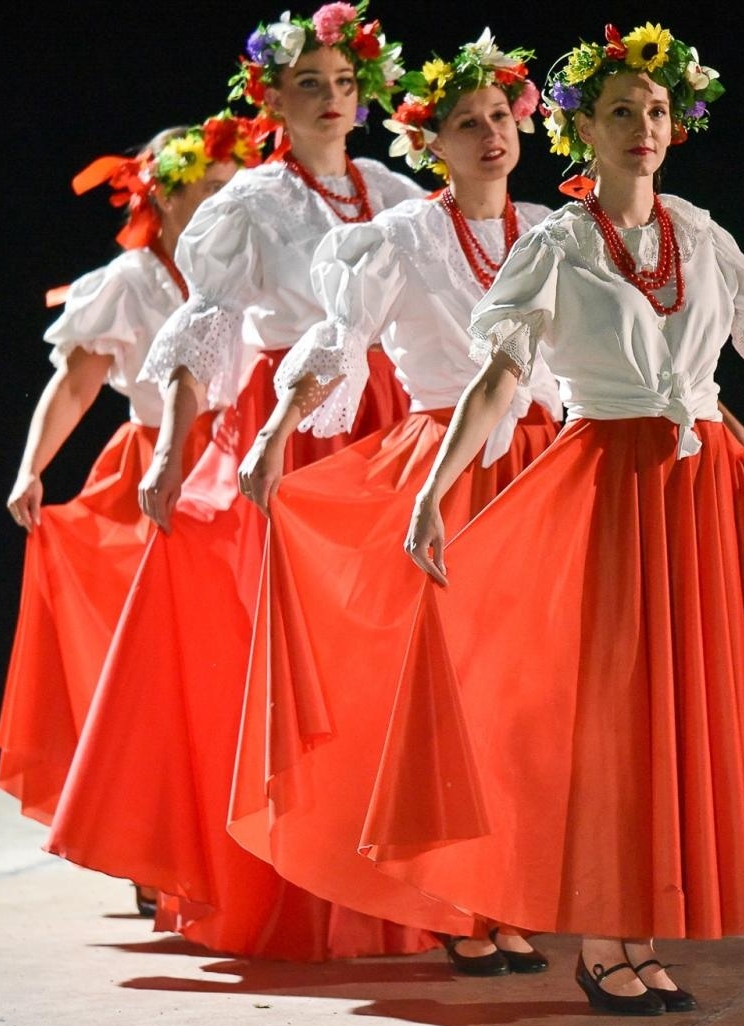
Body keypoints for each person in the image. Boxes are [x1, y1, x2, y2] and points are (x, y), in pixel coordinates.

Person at [365, 23, 744, 1013]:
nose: (644, 127)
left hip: (697, 486)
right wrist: (431, 491)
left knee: (687, 708)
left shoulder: (702, 234)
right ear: (581, 131)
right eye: (622, 112)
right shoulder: (556, 244)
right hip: (604, 485)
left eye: (657, 111)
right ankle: (605, 936)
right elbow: (501, 376)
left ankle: (638, 928)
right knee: (611, 715)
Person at [45, 3, 437, 962]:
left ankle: (398, 884)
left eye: (346, 85)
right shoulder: (248, 203)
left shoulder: (389, 189)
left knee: (388, 652)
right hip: (288, 420)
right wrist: (176, 450)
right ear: (270, 97)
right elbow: (202, 332)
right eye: (312, 85)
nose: (335, 101)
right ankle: (292, 883)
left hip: (382, 414)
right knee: (295, 654)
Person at [230, 30, 564, 976]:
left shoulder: (550, 228)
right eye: (467, 124)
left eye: (501, 116)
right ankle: (461, 900)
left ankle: (517, 887)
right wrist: (274, 426)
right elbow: (341, 339)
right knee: (451, 692)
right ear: (432, 145)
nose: (491, 134)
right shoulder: (400, 237)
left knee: (526, 694)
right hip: (447, 468)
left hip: (543, 466)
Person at [0, 118, 252, 840]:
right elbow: (76, 385)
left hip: (234, 458)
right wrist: (31, 467)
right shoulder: (129, 283)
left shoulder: (244, 268)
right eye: (208, 190)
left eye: (230, 191)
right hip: (155, 464)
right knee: (156, 663)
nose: (223, 205)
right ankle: (152, 831)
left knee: (231, 654)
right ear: (164, 199)